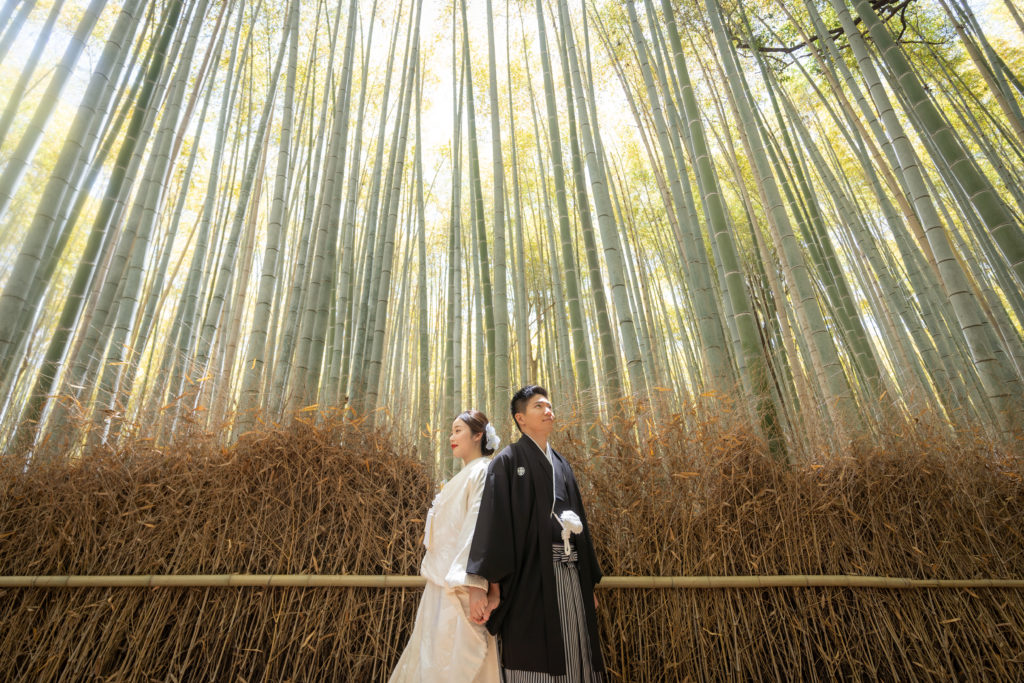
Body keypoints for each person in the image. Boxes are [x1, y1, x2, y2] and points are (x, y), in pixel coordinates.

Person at [466, 386, 604, 681]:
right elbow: (494, 524)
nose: (548, 411)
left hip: (571, 572)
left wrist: (587, 585)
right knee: (534, 652)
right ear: (521, 418)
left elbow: (581, 523)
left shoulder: (563, 464)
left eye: (549, 406)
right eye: (539, 406)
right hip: (529, 576)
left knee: (577, 648)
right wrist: (491, 587)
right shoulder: (507, 461)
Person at [389, 410, 502, 683]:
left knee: (455, 663)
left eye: (458, 430)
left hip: (461, 586)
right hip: (439, 583)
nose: (452, 437)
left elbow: (478, 528)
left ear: (478, 435)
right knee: (431, 658)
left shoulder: (484, 470)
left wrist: (477, 585)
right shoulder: (463, 475)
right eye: (451, 432)